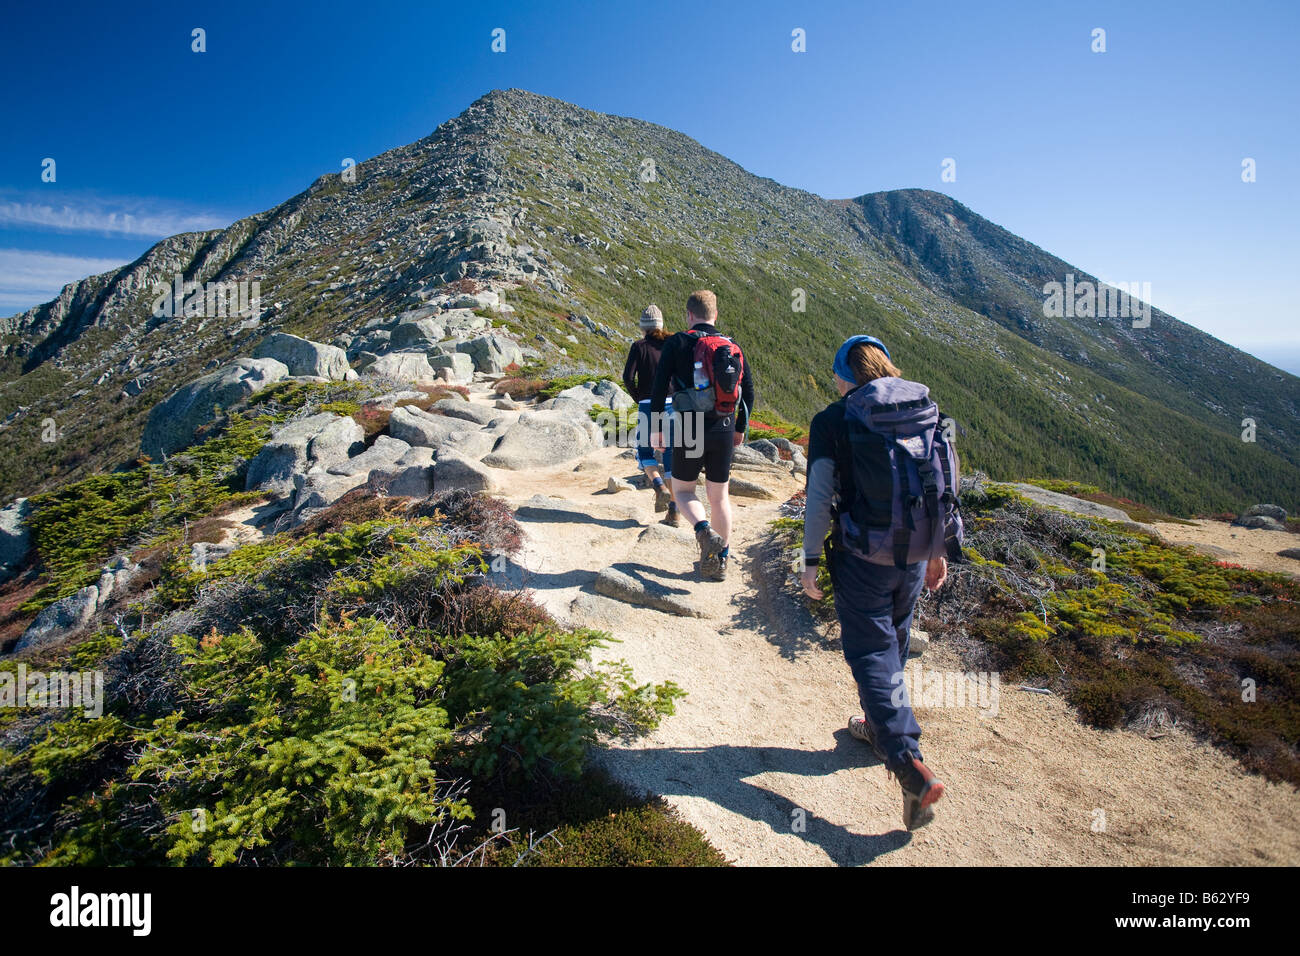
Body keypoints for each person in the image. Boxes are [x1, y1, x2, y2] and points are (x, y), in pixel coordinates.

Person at [799, 334, 960, 831]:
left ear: (845, 375)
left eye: (835, 375)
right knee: (894, 638)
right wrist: (938, 551)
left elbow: (820, 495)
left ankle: (907, 761)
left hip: (861, 555)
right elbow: (943, 483)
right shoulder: (924, 408)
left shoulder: (833, 420)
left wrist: (808, 559)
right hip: (914, 554)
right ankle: (876, 724)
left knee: (871, 651)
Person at [648, 290, 755, 581]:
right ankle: (721, 562)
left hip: (690, 427)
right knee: (719, 497)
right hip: (723, 426)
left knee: (682, 491)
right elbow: (749, 392)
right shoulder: (731, 346)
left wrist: (656, 428)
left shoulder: (678, 342)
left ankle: (703, 531)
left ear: (689, 315)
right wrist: (739, 429)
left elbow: (659, 388)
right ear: (715, 315)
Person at [624, 304, 679, 526]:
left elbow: (628, 377)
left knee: (644, 451)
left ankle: (658, 486)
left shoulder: (639, 346)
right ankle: (674, 512)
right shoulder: (673, 344)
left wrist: (639, 397)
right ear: (661, 325)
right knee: (670, 456)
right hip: (673, 405)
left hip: (648, 404)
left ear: (643, 327)